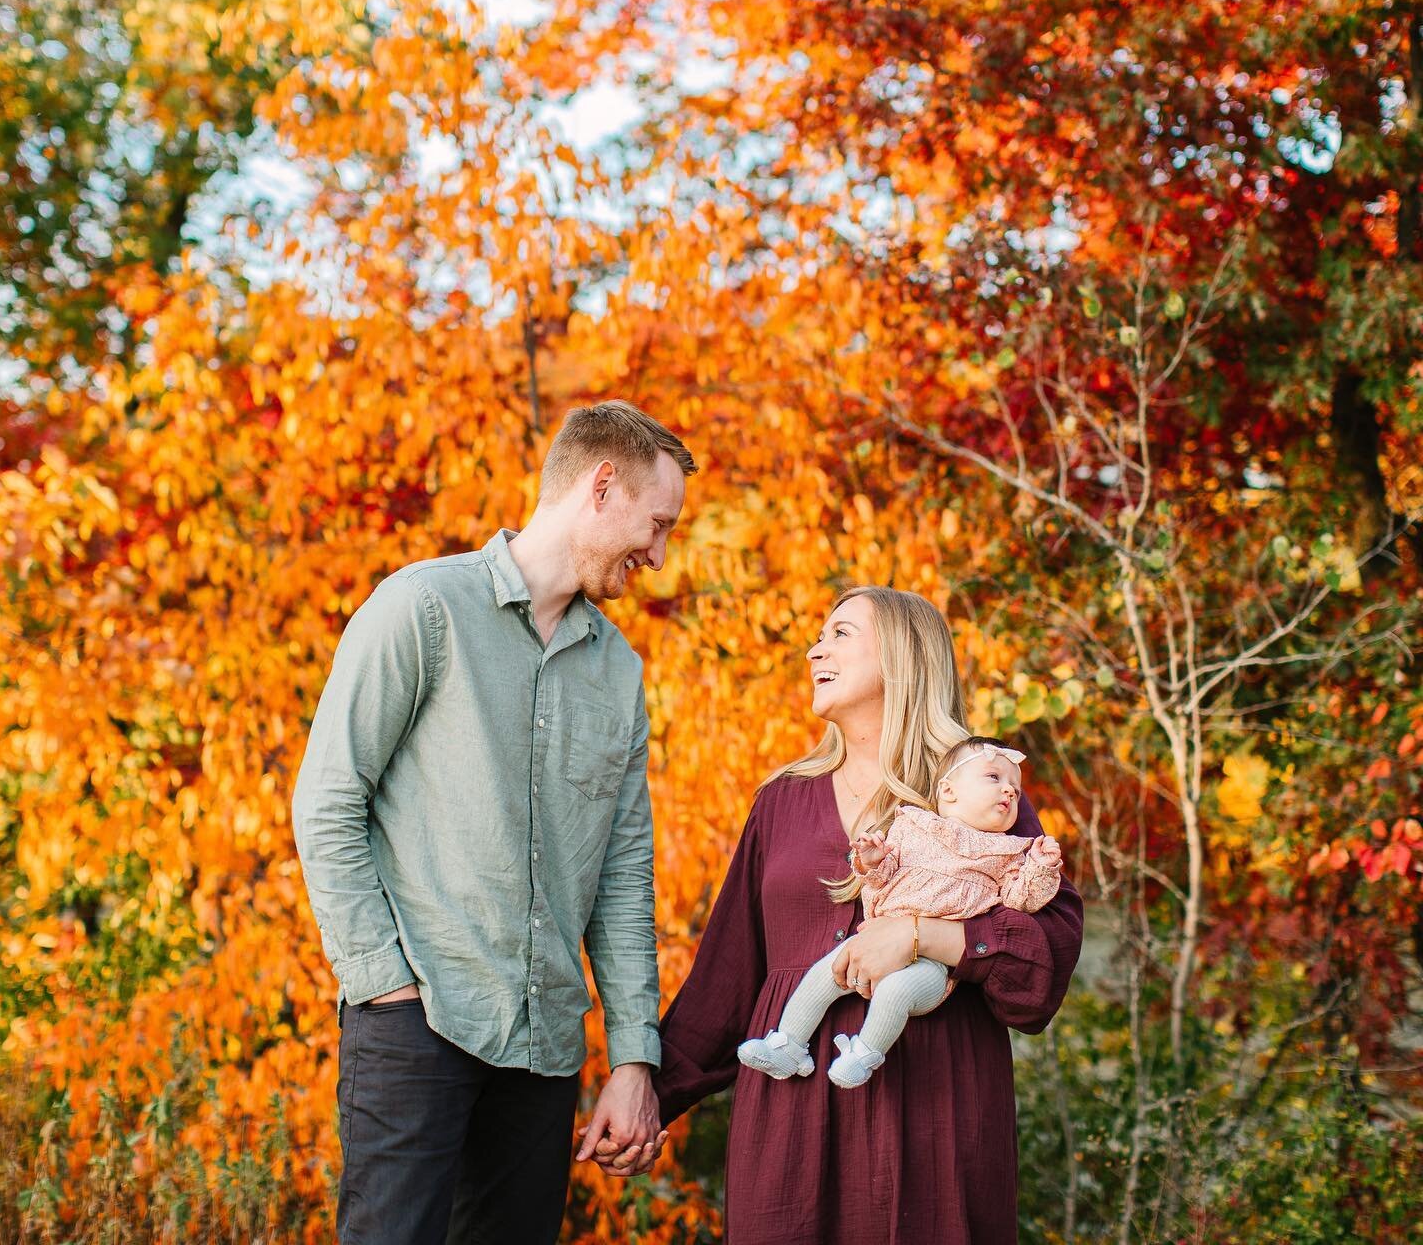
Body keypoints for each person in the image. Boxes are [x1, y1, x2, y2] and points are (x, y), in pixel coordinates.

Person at [291, 400, 694, 1245]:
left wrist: (633, 1058)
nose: (658, 556)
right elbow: (328, 802)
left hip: (545, 1047)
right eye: (655, 526)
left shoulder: (618, 673)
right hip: (418, 1018)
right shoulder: (423, 609)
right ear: (602, 485)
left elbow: (623, 878)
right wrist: (383, 984)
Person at [619, 585, 1084, 1245]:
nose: (816, 650)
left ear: (902, 657)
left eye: (840, 634)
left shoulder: (978, 788)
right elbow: (725, 982)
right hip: (790, 1133)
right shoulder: (780, 802)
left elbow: (1048, 954)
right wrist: (646, 1097)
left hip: (933, 1115)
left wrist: (928, 936)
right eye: (819, 635)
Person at [736, 736, 1063, 1089]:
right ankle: (788, 1043)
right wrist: (871, 861)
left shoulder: (1008, 852)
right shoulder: (913, 826)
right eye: (994, 778)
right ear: (949, 791)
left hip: (932, 963)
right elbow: (882, 878)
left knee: (897, 992)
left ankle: (863, 1054)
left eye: (1015, 787)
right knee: (825, 973)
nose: (1010, 791)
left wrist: (1041, 869)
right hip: (876, 935)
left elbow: (1020, 901)